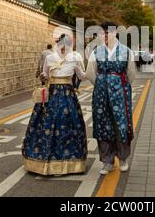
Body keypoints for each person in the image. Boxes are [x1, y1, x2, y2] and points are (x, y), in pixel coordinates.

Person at [22, 34, 87, 176]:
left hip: (68, 94)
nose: (65, 47)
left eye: (68, 44)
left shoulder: (76, 57)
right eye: (62, 43)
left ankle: (68, 161)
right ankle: (43, 161)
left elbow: (82, 75)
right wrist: (44, 77)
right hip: (51, 94)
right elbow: (44, 74)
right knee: (46, 123)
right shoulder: (50, 58)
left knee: (67, 123)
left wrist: (95, 69)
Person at [86, 21, 136, 175]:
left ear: (115, 33)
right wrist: (102, 83)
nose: (104, 36)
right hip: (101, 94)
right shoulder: (97, 51)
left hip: (121, 93)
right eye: (102, 33)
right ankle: (107, 161)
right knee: (103, 125)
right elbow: (90, 73)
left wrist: (118, 85)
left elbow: (131, 73)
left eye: (108, 32)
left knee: (121, 124)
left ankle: (122, 158)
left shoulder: (126, 51)